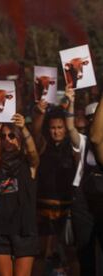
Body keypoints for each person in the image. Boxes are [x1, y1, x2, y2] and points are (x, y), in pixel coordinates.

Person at [0, 114, 40, 276]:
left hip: (24, 229)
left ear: (19, 138)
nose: (7, 139)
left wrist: (24, 128)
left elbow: (33, 152)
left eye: (12, 135)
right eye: (3, 136)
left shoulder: (29, 164)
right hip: (1, 229)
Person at [31, 100, 77, 273]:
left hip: (67, 208)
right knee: (43, 252)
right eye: (53, 128)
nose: (56, 131)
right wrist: (39, 113)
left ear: (66, 128)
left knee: (70, 253)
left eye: (60, 127)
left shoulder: (73, 147)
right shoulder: (43, 146)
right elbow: (35, 133)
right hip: (43, 207)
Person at [68, 85, 103, 275]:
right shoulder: (84, 141)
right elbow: (71, 128)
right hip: (85, 205)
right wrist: (70, 101)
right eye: (91, 119)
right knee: (86, 255)